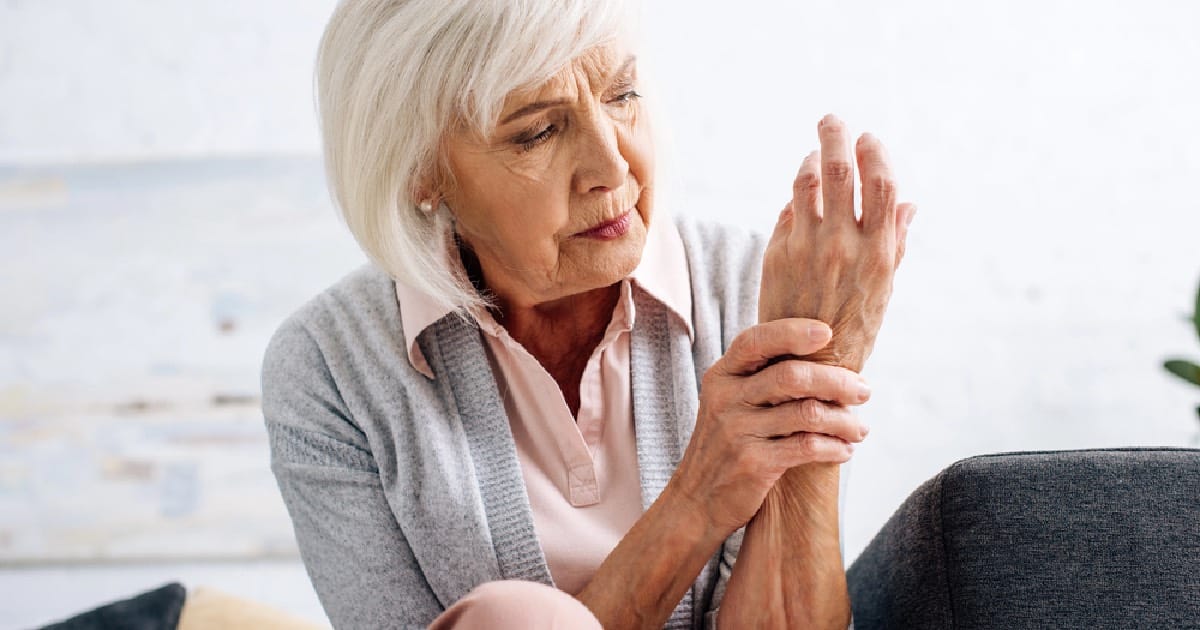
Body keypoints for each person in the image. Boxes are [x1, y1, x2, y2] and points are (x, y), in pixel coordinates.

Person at [261, 0, 915, 628]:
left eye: (622, 95)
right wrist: (696, 499)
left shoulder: (753, 288)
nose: (611, 167)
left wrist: (817, 375)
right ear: (422, 173)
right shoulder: (329, 368)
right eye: (538, 132)